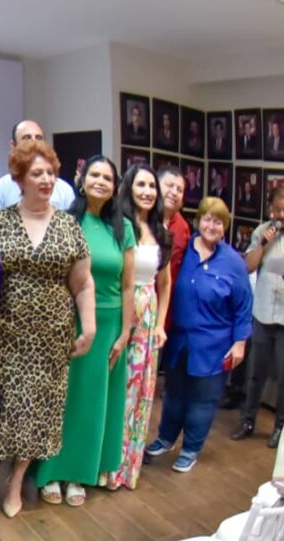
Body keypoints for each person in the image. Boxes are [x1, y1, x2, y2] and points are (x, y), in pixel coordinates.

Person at [0, 140, 95, 518]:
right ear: (19, 180)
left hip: (52, 336)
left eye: (50, 173)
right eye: (36, 174)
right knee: (3, 408)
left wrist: (88, 326)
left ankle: (17, 481)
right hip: (6, 332)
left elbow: (83, 283)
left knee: (39, 411)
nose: (45, 180)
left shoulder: (69, 226)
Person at [35, 155, 134, 506]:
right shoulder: (65, 221)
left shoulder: (123, 228)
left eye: (108, 177)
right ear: (81, 178)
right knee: (64, 400)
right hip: (70, 321)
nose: (101, 182)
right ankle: (49, 472)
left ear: (115, 186)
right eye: (95, 175)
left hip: (108, 326)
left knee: (93, 402)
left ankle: (79, 473)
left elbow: (127, 287)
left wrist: (125, 333)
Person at [146, 198, 252, 472]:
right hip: (179, 340)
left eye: (218, 221)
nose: (211, 226)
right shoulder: (182, 251)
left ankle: (191, 448)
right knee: (174, 394)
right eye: (207, 219)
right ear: (198, 221)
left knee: (202, 400)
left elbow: (243, 306)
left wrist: (240, 343)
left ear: (225, 226)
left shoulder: (233, 263)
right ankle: (166, 438)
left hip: (214, 345)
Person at [104, 165, 172, 490]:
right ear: (129, 187)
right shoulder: (119, 225)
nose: (147, 191)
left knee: (142, 391)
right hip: (123, 310)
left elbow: (165, 281)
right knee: (120, 386)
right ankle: (106, 465)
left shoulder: (160, 229)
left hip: (149, 314)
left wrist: (160, 325)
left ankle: (128, 466)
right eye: (141, 184)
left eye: (152, 186)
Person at [231, 187, 284, 447]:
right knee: (256, 374)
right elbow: (249, 265)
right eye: (277, 210)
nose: (282, 214)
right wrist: (265, 244)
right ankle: (247, 420)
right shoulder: (261, 232)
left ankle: (279, 428)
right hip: (263, 315)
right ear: (271, 209)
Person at [0, 120, 77, 212]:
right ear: (13, 145)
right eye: (27, 138)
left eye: (39, 138)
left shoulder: (64, 190)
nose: (34, 142)